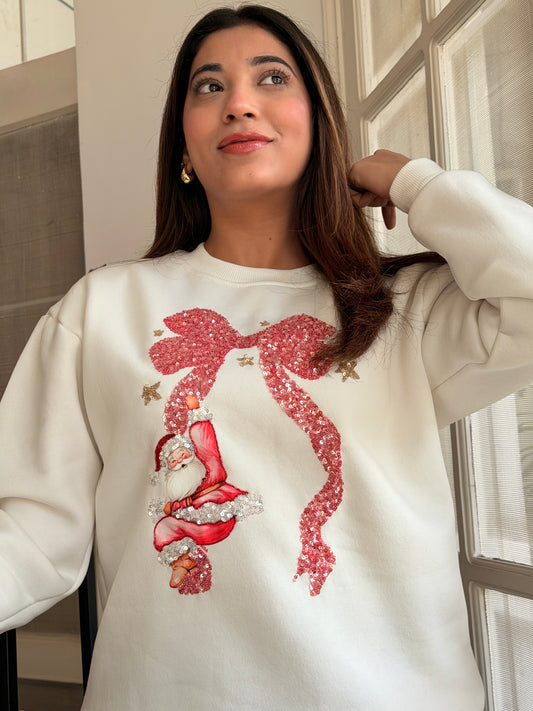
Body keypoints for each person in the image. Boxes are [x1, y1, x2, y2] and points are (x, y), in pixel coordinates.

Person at [0, 4, 532, 710]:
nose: (239, 103)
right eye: (209, 86)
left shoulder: (405, 306)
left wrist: (417, 183)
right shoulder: (102, 309)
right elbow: (32, 532)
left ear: (320, 122)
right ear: (183, 145)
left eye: (271, 77)